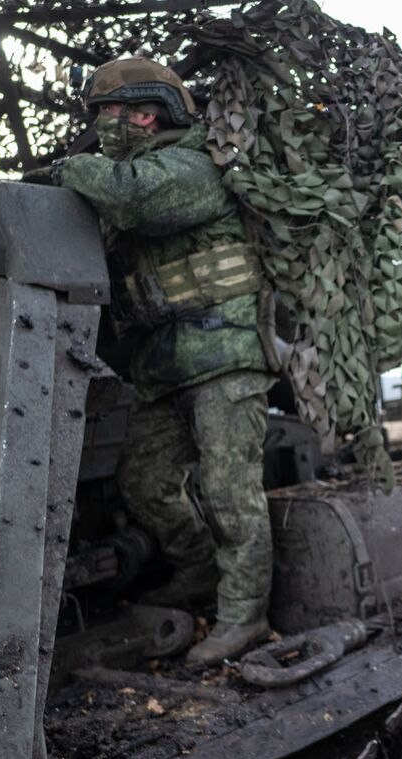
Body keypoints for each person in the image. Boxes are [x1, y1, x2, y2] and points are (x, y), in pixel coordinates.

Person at [45, 58, 276, 664]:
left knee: (230, 491)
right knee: (145, 482)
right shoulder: (122, 176)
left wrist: (68, 167)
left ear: (162, 115)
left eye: (130, 111)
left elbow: (136, 199)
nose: (116, 124)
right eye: (105, 115)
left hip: (226, 355)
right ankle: (198, 574)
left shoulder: (193, 167)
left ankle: (242, 617)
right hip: (163, 367)